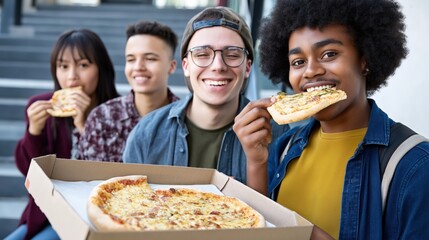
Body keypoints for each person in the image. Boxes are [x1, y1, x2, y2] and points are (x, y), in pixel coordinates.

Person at [233, 0, 429, 239]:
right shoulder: (286, 147)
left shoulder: (416, 165)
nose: (310, 71)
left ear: (364, 59)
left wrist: (308, 234)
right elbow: (259, 230)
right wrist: (256, 162)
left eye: (329, 54)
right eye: (298, 62)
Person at [122, 6, 289, 183]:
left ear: (247, 67)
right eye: (202, 54)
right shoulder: (146, 134)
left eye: (232, 54)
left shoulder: (276, 134)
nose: (218, 66)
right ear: (186, 66)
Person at [8, 29, 119, 240]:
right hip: (44, 212)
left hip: (89, 215)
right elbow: (27, 170)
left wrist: (85, 126)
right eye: (63, 66)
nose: (72, 77)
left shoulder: (116, 113)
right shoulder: (42, 107)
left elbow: (107, 175)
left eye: (83, 65)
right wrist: (34, 132)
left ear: (101, 69)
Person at [76, 21, 180, 162]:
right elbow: (88, 178)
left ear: (172, 66)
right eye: (131, 59)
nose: (138, 67)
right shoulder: (102, 118)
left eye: (150, 59)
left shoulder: (185, 120)